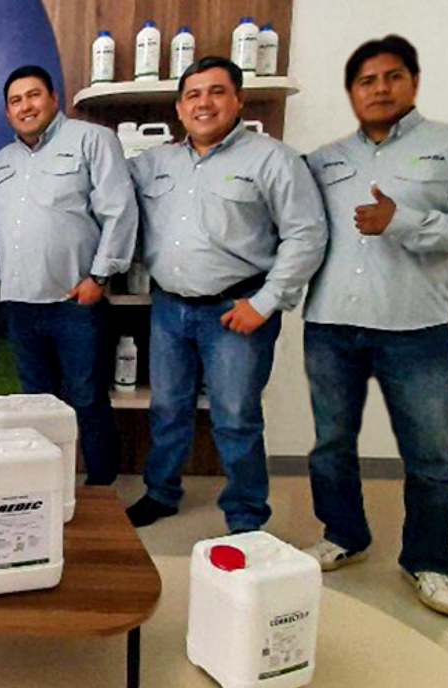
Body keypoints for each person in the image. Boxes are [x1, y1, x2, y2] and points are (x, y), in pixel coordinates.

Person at [300, 35, 448, 618]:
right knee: (331, 445)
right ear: (351, 92)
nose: (380, 89)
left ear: (413, 81)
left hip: (415, 327)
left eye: (392, 76)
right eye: (366, 81)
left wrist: (405, 220)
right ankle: (343, 534)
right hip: (331, 324)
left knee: (430, 454)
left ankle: (429, 561)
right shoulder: (324, 159)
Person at [126, 56, 326, 533]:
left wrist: (265, 303)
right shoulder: (155, 163)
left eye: (216, 92)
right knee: (167, 409)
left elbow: (307, 235)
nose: (204, 103)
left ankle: (246, 514)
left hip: (237, 309)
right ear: (179, 108)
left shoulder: (273, 159)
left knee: (236, 418)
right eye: (193, 94)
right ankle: (161, 493)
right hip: (169, 308)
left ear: (239, 100)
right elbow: (104, 191)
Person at [0, 66, 138, 486]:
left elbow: (120, 211)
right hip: (20, 304)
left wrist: (99, 277)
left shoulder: (92, 140)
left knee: (87, 398)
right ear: (7, 112)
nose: (25, 106)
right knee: (36, 404)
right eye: (16, 100)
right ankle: (44, 486)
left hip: (74, 301)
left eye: (33, 95)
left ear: (54, 98)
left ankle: (101, 486)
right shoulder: (2, 161)